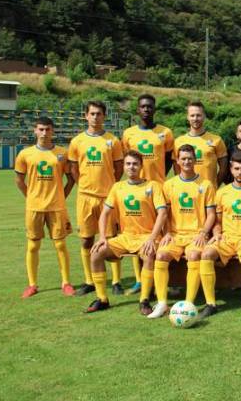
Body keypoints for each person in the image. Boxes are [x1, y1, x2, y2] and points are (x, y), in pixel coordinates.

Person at [86, 151, 168, 314]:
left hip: (147, 237)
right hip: (125, 237)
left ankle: (144, 300)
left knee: (149, 254)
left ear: (141, 166)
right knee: (96, 253)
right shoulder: (117, 187)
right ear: (123, 166)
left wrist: (152, 238)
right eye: (128, 164)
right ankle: (102, 299)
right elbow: (104, 214)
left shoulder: (153, 186)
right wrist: (102, 237)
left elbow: (163, 213)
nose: (131, 167)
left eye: (135, 164)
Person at [149, 145, 217, 319]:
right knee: (160, 256)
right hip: (175, 235)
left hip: (196, 235)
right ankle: (162, 303)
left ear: (195, 160)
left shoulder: (206, 185)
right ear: (178, 161)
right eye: (183, 158)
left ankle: (188, 303)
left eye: (190, 158)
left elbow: (211, 214)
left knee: (194, 255)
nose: (187, 161)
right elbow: (164, 214)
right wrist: (166, 233)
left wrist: (203, 233)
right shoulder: (169, 185)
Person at [67, 101, 124, 296]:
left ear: (104, 116)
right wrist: (83, 185)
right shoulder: (77, 141)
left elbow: (119, 168)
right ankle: (89, 280)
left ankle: (116, 281)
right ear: (86, 116)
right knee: (86, 239)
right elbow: (73, 168)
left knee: (111, 240)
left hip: (107, 198)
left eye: (99, 114)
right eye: (92, 113)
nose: (95, 117)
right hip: (85, 197)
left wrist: (111, 187)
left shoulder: (112, 140)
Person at [15, 117, 75, 298]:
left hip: (57, 207)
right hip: (34, 207)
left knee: (60, 244)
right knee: (33, 245)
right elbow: (19, 180)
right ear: (35, 130)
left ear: (52, 131)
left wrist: (61, 197)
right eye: (41, 129)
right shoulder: (25, 154)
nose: (44, 133)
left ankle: (66, 283)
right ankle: (32, 284)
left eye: (48, 129)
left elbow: (71, 180)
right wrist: (31, 197)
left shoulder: (62, 153)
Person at [202, 151, 241, 319]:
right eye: (236, 168)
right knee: (206, 253)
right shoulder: (222, 193)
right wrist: (216, 233)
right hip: (227, 238)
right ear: (231, 169)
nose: (240, 172)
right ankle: (210, 304)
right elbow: (217, 221)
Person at [122, 94, 174, 293]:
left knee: (161, 233)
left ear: (154, 109)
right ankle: (140, 280)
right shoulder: (128, 133)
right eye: (143, 106)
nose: (146, 109)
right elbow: (127, 158)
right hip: (137, 190)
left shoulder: (165, 133)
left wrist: (158, 177)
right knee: (137, 232)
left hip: (158, 188)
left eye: (149, 106)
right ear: (138, 109)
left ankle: (164, 279)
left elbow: (169, 160)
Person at [173, 101, 228, 187]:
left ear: (204, 116)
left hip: (208, 191)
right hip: (187, 189)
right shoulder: (178, 141)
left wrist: (215, 186)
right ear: (188, 117)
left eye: (198, 115)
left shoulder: (217, 140)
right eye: (192, 115)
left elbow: (224, 168)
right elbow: (176, 168)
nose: (195, 118)